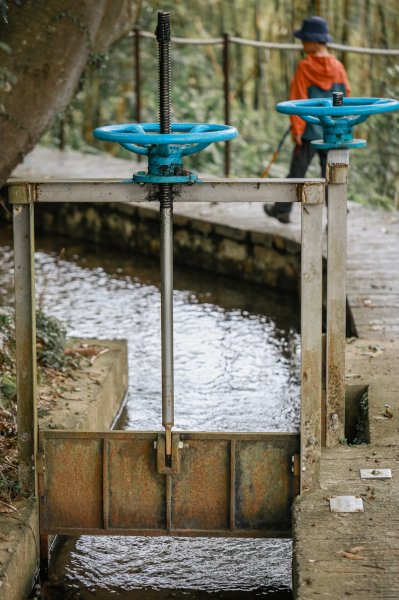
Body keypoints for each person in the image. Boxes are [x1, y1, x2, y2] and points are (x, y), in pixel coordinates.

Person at [264, 16, 351, 224]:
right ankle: (337, 217)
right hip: (332, 132)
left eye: (304, 40)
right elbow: (346, 97)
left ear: (314, 41)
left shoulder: (305, 67)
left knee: (297, 172)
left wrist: (297, 131)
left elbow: (298, 101)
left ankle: (282, 210)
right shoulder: (338, 67)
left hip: (309, 132)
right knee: (332, 175)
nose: (302, 44)